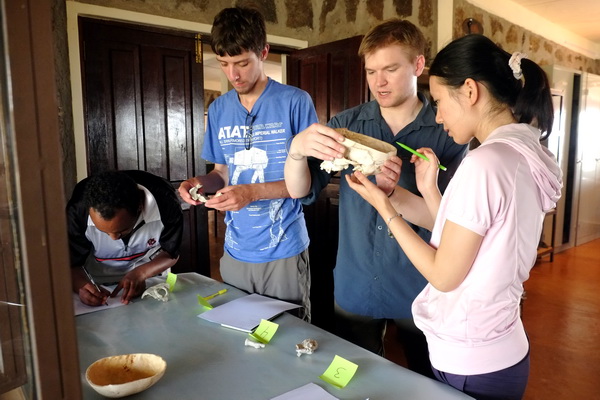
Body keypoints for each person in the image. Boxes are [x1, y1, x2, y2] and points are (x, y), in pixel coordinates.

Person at [344, 34, 563, 399]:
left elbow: (444, 275)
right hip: (499, 342)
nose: (438, 115)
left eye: (440, 101)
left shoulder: (484, 163)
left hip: (472, 355)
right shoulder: (523, 151)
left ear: (470, 91)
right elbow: (465, 236)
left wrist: (384, 209)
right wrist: (424, 190)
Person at [284, 18, 467, 377]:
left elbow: (453, 223)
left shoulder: (448, 130)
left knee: (427, 380)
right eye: (371, 72)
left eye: (390, 69)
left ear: (418, 65)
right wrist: (296, 150)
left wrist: (402, 191)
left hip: (421, 283)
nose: (379, 82)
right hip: (357, 280)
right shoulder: (347, 126)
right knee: (353, 377)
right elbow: (299, 190)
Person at [178, 7, 318, 320]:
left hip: (283, 249)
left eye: (242, 63)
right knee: (239, 332)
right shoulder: (219, 109)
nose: (233, 75)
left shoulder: (295, 101)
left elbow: (306, 183)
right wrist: (200, 183)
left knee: (289, 333)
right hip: (235, 250)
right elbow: (222, 173)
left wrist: (251, 193)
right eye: (224, 64)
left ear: (263, 53)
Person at [68, 170, 183, 306]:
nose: (113, 238)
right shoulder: (77, 210)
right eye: (103, 232)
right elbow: (71, 264)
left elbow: (171, 252)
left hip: (152, 277)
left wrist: (141, 273)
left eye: (122, 231)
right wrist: (82, 286)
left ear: (140, 207)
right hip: (96, 281)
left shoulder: (165, 203)